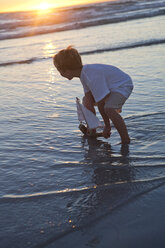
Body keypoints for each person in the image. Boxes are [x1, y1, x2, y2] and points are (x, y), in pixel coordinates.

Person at [53, 45, 133, 144]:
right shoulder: (83, 75)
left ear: (67, 71)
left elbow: (101, 103)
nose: (60, 74)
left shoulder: (91, 75)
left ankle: (125, 139)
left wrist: (107, 127)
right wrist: (91, 125)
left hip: (122, 85)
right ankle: (92, 129)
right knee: (86, 100)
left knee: (108, 108)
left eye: (60, 71)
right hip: (111, 87)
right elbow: (89, 100)